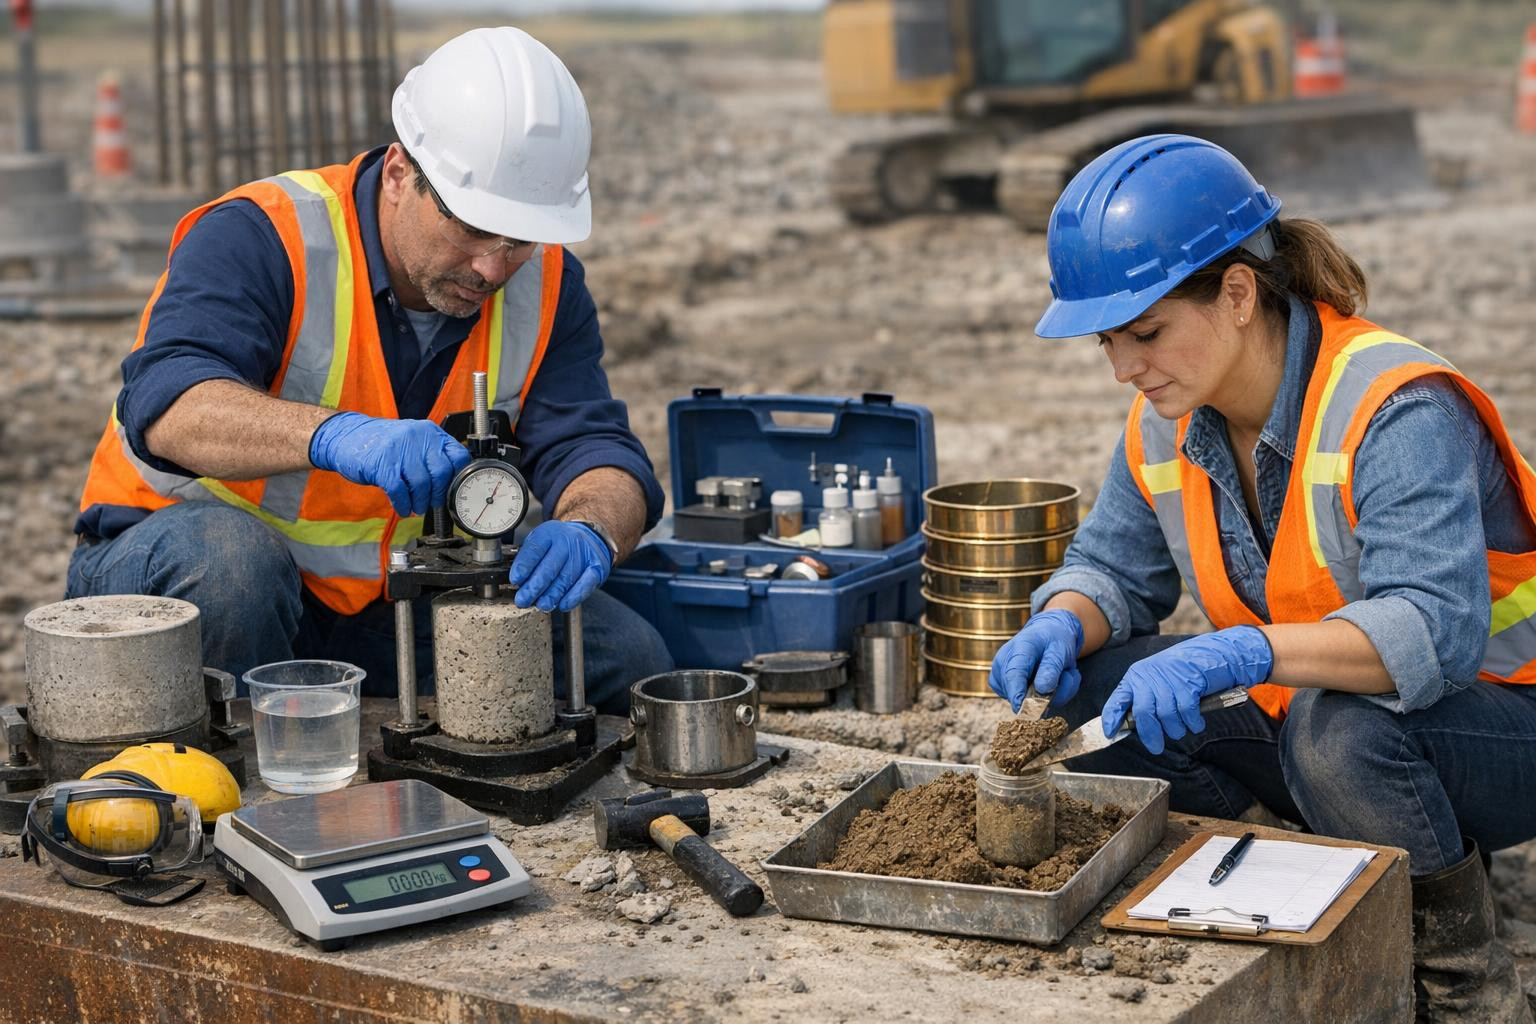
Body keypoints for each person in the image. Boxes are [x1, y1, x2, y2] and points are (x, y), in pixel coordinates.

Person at [990, 134, 1536, 1021]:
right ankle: (1309, 854)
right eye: (1107, 343)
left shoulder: (1393, 406)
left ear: (1239, 293)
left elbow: (1435, 632)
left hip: (1501, 727)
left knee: (1339, 733)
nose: (1125, 367)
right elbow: (1111, 569)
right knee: (1086, 694)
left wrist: (1239, 654)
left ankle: (1464, 987)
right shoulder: (1168, 417)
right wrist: (1064, 617)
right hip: (1316, 714)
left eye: (1147, 333)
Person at [67, 26, 673, 712]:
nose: (493, 268)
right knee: (236, 563)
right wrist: (338, 436)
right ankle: (226, 793)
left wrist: (592, 525)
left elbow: (593, 446)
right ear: (398, 174)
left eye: (520, 240)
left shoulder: (549, 285)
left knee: (626, 655)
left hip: (386, 602)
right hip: (174, 579)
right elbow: (171, 405)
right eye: (472, 227)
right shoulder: (263, 234)